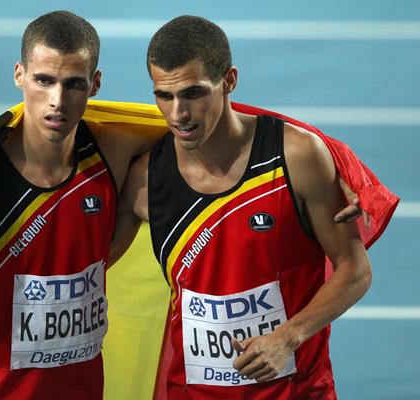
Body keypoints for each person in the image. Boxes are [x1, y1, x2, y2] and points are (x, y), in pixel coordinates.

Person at [0, 11, 380, 400]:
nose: (56, 100)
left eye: (73, 84)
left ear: (94, 84)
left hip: (94, 391)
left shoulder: (113, 152)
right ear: (19, 77)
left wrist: (340, 167)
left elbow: (232, 128)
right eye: (43, 81)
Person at [111, 16, 397, 399]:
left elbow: (355, 269)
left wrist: (287, 338)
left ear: (229, 80)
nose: (178, 114)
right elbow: (87, 267)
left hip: (295, 391)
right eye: (164, 95)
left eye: (193, 93)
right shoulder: (145, 181)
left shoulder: (294, 157)